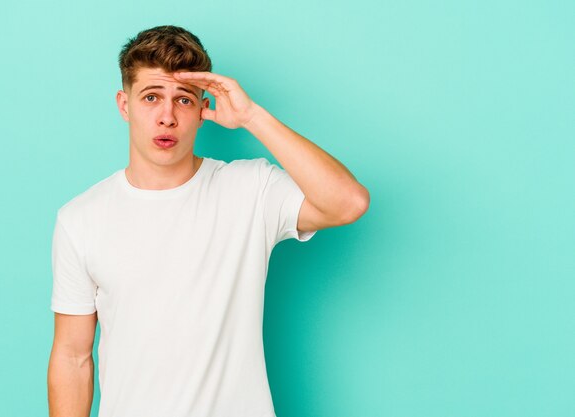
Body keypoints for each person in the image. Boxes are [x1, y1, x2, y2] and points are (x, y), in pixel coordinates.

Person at [47, 25, 369, 417]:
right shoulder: (80, 219)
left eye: (183, 100)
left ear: (203, 110)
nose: (167, 116)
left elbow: (348, 202)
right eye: (151, 97)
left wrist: (252, 116)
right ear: (124, 104)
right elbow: (72, 357)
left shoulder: (249, 190)